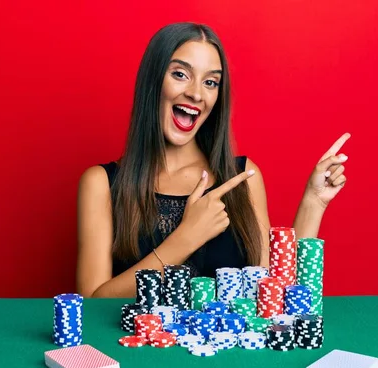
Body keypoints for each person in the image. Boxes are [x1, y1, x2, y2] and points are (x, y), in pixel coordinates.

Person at [76, 22, 349, 298]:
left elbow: (275, 292)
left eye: (210, 82)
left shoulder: (242, 177)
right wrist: (187, 237)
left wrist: (314, 201)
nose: (196, 93)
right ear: (153, 80)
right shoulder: (101, 183)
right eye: (181, 74)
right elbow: (92, 302)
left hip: (230, 343)